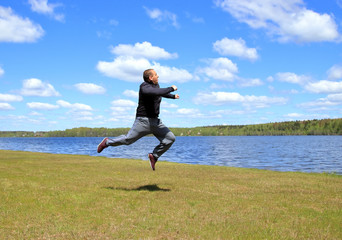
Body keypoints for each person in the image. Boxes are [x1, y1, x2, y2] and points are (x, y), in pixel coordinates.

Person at [97, 69, 179, 171]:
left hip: (155, 122)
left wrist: (172, 97)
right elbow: (154, 92)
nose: (158, 76)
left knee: (170, 138)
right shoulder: (144, 87)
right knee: (128, 140)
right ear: (150, 77)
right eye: (156, 75)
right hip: (143, 121)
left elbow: (159, 92)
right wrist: (171, 88)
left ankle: (154, 156)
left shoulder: (156, 87)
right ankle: (107, 142)